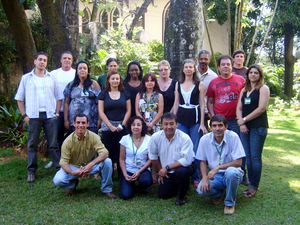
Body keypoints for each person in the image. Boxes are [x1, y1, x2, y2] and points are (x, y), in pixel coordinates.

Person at [14, 52, 63, 183]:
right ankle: (31, 171)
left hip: (50, 116)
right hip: (33, 116)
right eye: (40, 60)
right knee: (32, 145)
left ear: (46, 63)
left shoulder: (51, 78)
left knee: (53, 145)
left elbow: (59, 97)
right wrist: (24, 115)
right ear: (35, 61)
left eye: (45, 60)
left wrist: (57, 113)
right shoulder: (26, 78)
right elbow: (19, 98)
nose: (42, 62)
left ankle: (58, 169)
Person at [53, 113, 116, 198]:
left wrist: (91, 165)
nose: (80, 125)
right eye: (78, 122)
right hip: (74, 167)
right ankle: (72, 186)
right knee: (58, 180)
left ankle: (106, 189)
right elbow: (63, 162)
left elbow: (105, 153)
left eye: (83, 123)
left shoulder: (94, 136)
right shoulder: (67, 141)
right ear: (74, 124)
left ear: (87, 124)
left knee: (107, 161)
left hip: (91, 166)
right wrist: (73, 172)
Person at [206, 55, 247, 185]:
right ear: (218, 67)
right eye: (223, 64)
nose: (226, 67)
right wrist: (213, 117)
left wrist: (242, 119)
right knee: (219, 146)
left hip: (235, 120)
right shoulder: (214, 82)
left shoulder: (241, 80)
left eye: (228, 64)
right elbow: (210, 102)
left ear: (232, 65)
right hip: (219, 122)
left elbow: (246, 99)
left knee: (239, 147)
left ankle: (242, 174)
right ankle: (218, 171)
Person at [196, 114, 246, 215]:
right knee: (201, 190)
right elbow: (203, 162)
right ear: (211, 128)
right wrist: (205, 178)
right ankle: (220, 193)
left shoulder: (233, 137)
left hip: (233, 172)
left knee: (231, 173)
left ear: (226, 127)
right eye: (214, 126)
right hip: (216, 176)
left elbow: (239, 162)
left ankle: (229, 203)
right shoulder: (204, 139)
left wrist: (218, 167)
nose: (217, 129)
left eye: (220, 125)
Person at [148, 112, 196, 206]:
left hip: (186, 166)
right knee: (163, 194)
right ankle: (183, 184)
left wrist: (167, 168)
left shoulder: (184, 138)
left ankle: (181, 197)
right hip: (167, 169)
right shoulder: (155, 137)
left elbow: (186, 160)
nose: (169, 127)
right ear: (161, 125)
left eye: (171, 124)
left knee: (181, 172)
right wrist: (161, 170)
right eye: (166, 124)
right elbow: (153, 156)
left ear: (176, 125)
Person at [173, 59, 207, 188]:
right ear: (183, 69)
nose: (188, 69)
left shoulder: (199, 84)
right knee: (182, 148)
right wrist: (174, 121)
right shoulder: (178, 84)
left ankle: (196, 176)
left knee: (195, 148)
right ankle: (182, 174)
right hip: (181, 118)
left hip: (195, 119)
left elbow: (202, 104)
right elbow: (176, 103)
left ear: (194, 69)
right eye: (186, 67)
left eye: (191, 67)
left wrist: (202, 124)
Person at [236, 64, 270, 198]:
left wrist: (244, 119)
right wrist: (241, 122)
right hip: (245, 128)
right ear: (248, 75)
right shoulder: (245, 90)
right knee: (248, 157)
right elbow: (239, 107)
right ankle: (251, 183)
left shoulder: (263, 88)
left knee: (255, 157)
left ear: (260, 75)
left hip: (258, 127)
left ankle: (254, 186)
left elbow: (261, 108)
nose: (253, 75)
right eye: (251, 73)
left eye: (256, 73)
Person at [45, 51, 76, 169]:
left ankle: (70, 159)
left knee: (71, 137)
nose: (67, 60)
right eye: (64, 58)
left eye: (69, 58)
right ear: (61, 60)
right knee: (55, 137)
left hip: (72, 111)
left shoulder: (75, 74)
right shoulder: (54, 74)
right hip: (57, 111)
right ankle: (56, 161)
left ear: (72, 61)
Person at [98, 70, 131, 176]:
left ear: (120, 80)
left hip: (122, 126)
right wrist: (110, 126)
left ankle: (122, 176)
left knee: (121, 151)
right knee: (109, 151)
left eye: (117, 78)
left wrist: (122, 125)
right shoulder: (103, 94)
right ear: (108, 80)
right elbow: (101, 112)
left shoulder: (125, 93)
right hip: (108, 127)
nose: (115, 81)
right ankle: (108, 175)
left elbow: (128, 110)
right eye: (113, 78)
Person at [119, 116, 152, 199]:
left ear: (142, 127)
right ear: (130, 126)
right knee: (126, 195)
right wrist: (125, 174)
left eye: (138, 125)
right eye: (133, 125)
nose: (136, 127)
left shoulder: (149, 140)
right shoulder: (125, 139)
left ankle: (141, 188)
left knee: (147, 181)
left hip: (142, 169)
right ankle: (130, 185)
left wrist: (140, 171)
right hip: (128, 169)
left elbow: (151, 159)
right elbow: (121, 159)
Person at [64, 60, 101, 134]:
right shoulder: (71, 85)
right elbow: (66, 103)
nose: (82, 70)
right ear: (77, 71)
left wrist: (100, 119)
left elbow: (99, 103)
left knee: (91, 144)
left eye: (85, 68)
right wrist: (66, 120)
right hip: (74, 122)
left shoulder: (94, 84)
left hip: (91, 122)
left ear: (88, 71)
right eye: (80, 68)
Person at [196, 50, 218, 129]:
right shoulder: (191, 71)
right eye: (201, 59)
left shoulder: (213, 77)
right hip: (191, 110)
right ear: (198, 59)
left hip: (204, 112)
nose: (203, 61)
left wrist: (210, 112)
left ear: (209, 60)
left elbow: (215, 96)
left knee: (203, 135)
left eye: (205, 59)